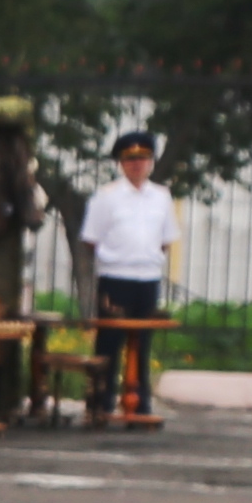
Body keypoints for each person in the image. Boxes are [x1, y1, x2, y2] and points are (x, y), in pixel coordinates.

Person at [77, 128, 177, 424]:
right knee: (109, 343)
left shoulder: (161, 196)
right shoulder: (106, 197)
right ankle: (101, 402)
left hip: (147, 277)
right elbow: (91, 238)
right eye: (131, 159)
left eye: (143, 158)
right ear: (121, 163)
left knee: (142, 343)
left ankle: (140, 403)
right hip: (115, 276)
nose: (137, 164)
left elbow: (166, 238)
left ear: (151, 162)